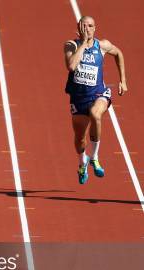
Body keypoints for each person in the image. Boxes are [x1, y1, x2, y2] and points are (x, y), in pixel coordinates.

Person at [64, 15, 127, 184]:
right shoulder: (71, 45)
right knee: (80, 140)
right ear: (78, 28)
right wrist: (84, 43)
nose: (87, 29)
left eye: (90, 26)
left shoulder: (102, 45)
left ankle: (94, 158)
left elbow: (118, 53)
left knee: (95, 113)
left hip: (99, 93)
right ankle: (81, 163)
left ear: (95, 28)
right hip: (78, 99)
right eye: (84, 26)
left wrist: (123, 80)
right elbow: (71, 66)